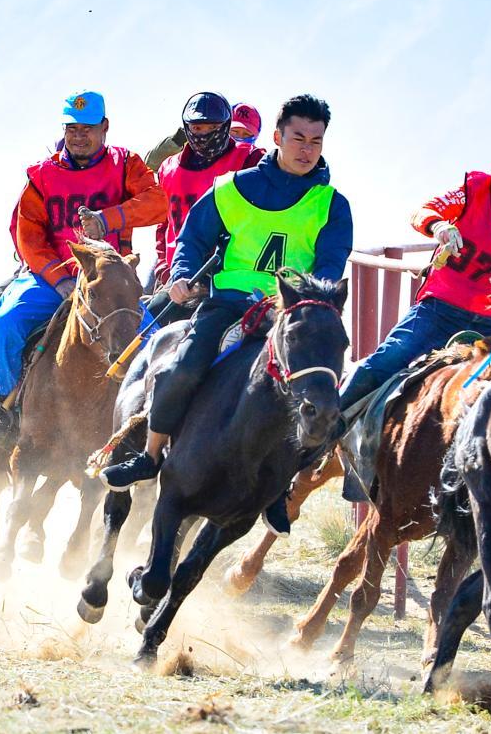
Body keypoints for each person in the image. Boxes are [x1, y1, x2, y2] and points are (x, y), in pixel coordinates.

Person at [100, 94, 353, 537]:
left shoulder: (332, 204)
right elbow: (193, 240)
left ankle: (280, 485)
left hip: (289, 316)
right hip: (228, 304)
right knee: (182, 366)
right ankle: (150, 455)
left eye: (316, 140)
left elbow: (331, 266)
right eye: (298, 138)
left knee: (323, 394)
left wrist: (302, 301)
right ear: (277, 138)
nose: (306, 148)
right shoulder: (232, 188)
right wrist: (180, 275)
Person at [0, 90, 167, 447]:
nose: (79, 135)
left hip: (111, 279)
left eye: (87, 128)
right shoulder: (42, 175)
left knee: (159, 341)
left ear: (104, 127)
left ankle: (155, 427)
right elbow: (26, 234)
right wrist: (59, 279)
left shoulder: (127, 165)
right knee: (3, 326)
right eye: (72, 128)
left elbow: (159, 203)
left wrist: (108, 219)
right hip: (50, 280)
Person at [336, 137, 491, 412]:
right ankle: (323, 436)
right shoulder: (474, 190)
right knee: (388, 359)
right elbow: (424, 212)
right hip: (438, 309)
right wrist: (439, 227)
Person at [153, 92, 266, 289]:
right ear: (187, 128)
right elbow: (164, 223)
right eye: (197, 127)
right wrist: (163, 268)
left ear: (225, 125)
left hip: (230, 281)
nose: (205, 135)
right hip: (178, 280)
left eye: (213, 128)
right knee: (141, 318)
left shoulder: (252, 159)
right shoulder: (168, 169)